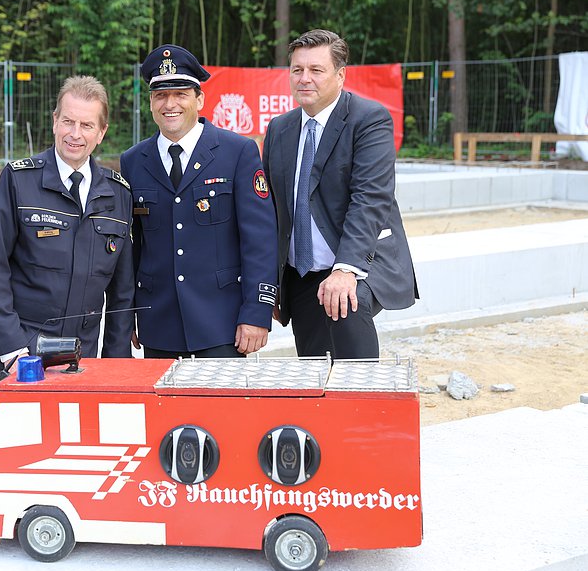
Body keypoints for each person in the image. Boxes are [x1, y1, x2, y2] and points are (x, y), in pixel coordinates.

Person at [262, 29, 418, 359]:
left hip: (358, 258)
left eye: (316, 70)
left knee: (347, 306)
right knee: (315, 366)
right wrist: (270, 280)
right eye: (297, 70)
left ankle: (366, 398)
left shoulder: (369, 119)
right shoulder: (279, 129)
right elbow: (272, 211)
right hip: (301, 269)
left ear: (340, 75)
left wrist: (346, 269)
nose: (304, 79)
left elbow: (371, 198)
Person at [120, 45, 278, 359]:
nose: (170, 104)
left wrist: (257, 313)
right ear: (151, 102)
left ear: (200, 99)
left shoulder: (237, 152)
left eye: (180, 94)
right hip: (158, 323)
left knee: (222, 410)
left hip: (222, 324)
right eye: (160, 96)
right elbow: (133, 247)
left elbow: (259, 241)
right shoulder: (133, 161)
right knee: (164, 410)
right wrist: (130, 314)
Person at [0, 75, 134, 382]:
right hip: (24, 359)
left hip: (85, 362)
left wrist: (117, 363)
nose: (75, 134)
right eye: (68, 121)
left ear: (101, 132)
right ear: (54, 122)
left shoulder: (118, 195)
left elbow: (122, 291)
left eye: (86, 125)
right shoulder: (18, 182)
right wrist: (11, 350)